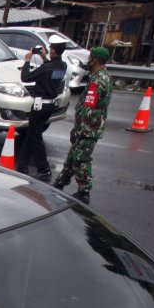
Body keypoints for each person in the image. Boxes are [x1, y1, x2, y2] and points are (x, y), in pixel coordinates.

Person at [54, 46, 112, 204]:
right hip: (90, 126)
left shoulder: (98, 80)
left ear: (96, 60)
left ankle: (84, 192)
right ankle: (59, 184)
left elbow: (88, 108)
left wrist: (78, 129)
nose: (88, 60)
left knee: (80, 158)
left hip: (88, 128)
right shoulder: (102, 76)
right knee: (73, 156)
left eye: (91, 57)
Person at [17, 37, 68, 182]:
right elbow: (49, 70)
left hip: (40, 106)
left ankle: (43, 168)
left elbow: (25, 77)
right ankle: (22, 164)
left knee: (36, 137)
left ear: (52, 49)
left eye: (50, 48)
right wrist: (44, 57)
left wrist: (27, 60)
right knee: (33, 133)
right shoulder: (62, 66)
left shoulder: (46, 68)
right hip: (50, 105)